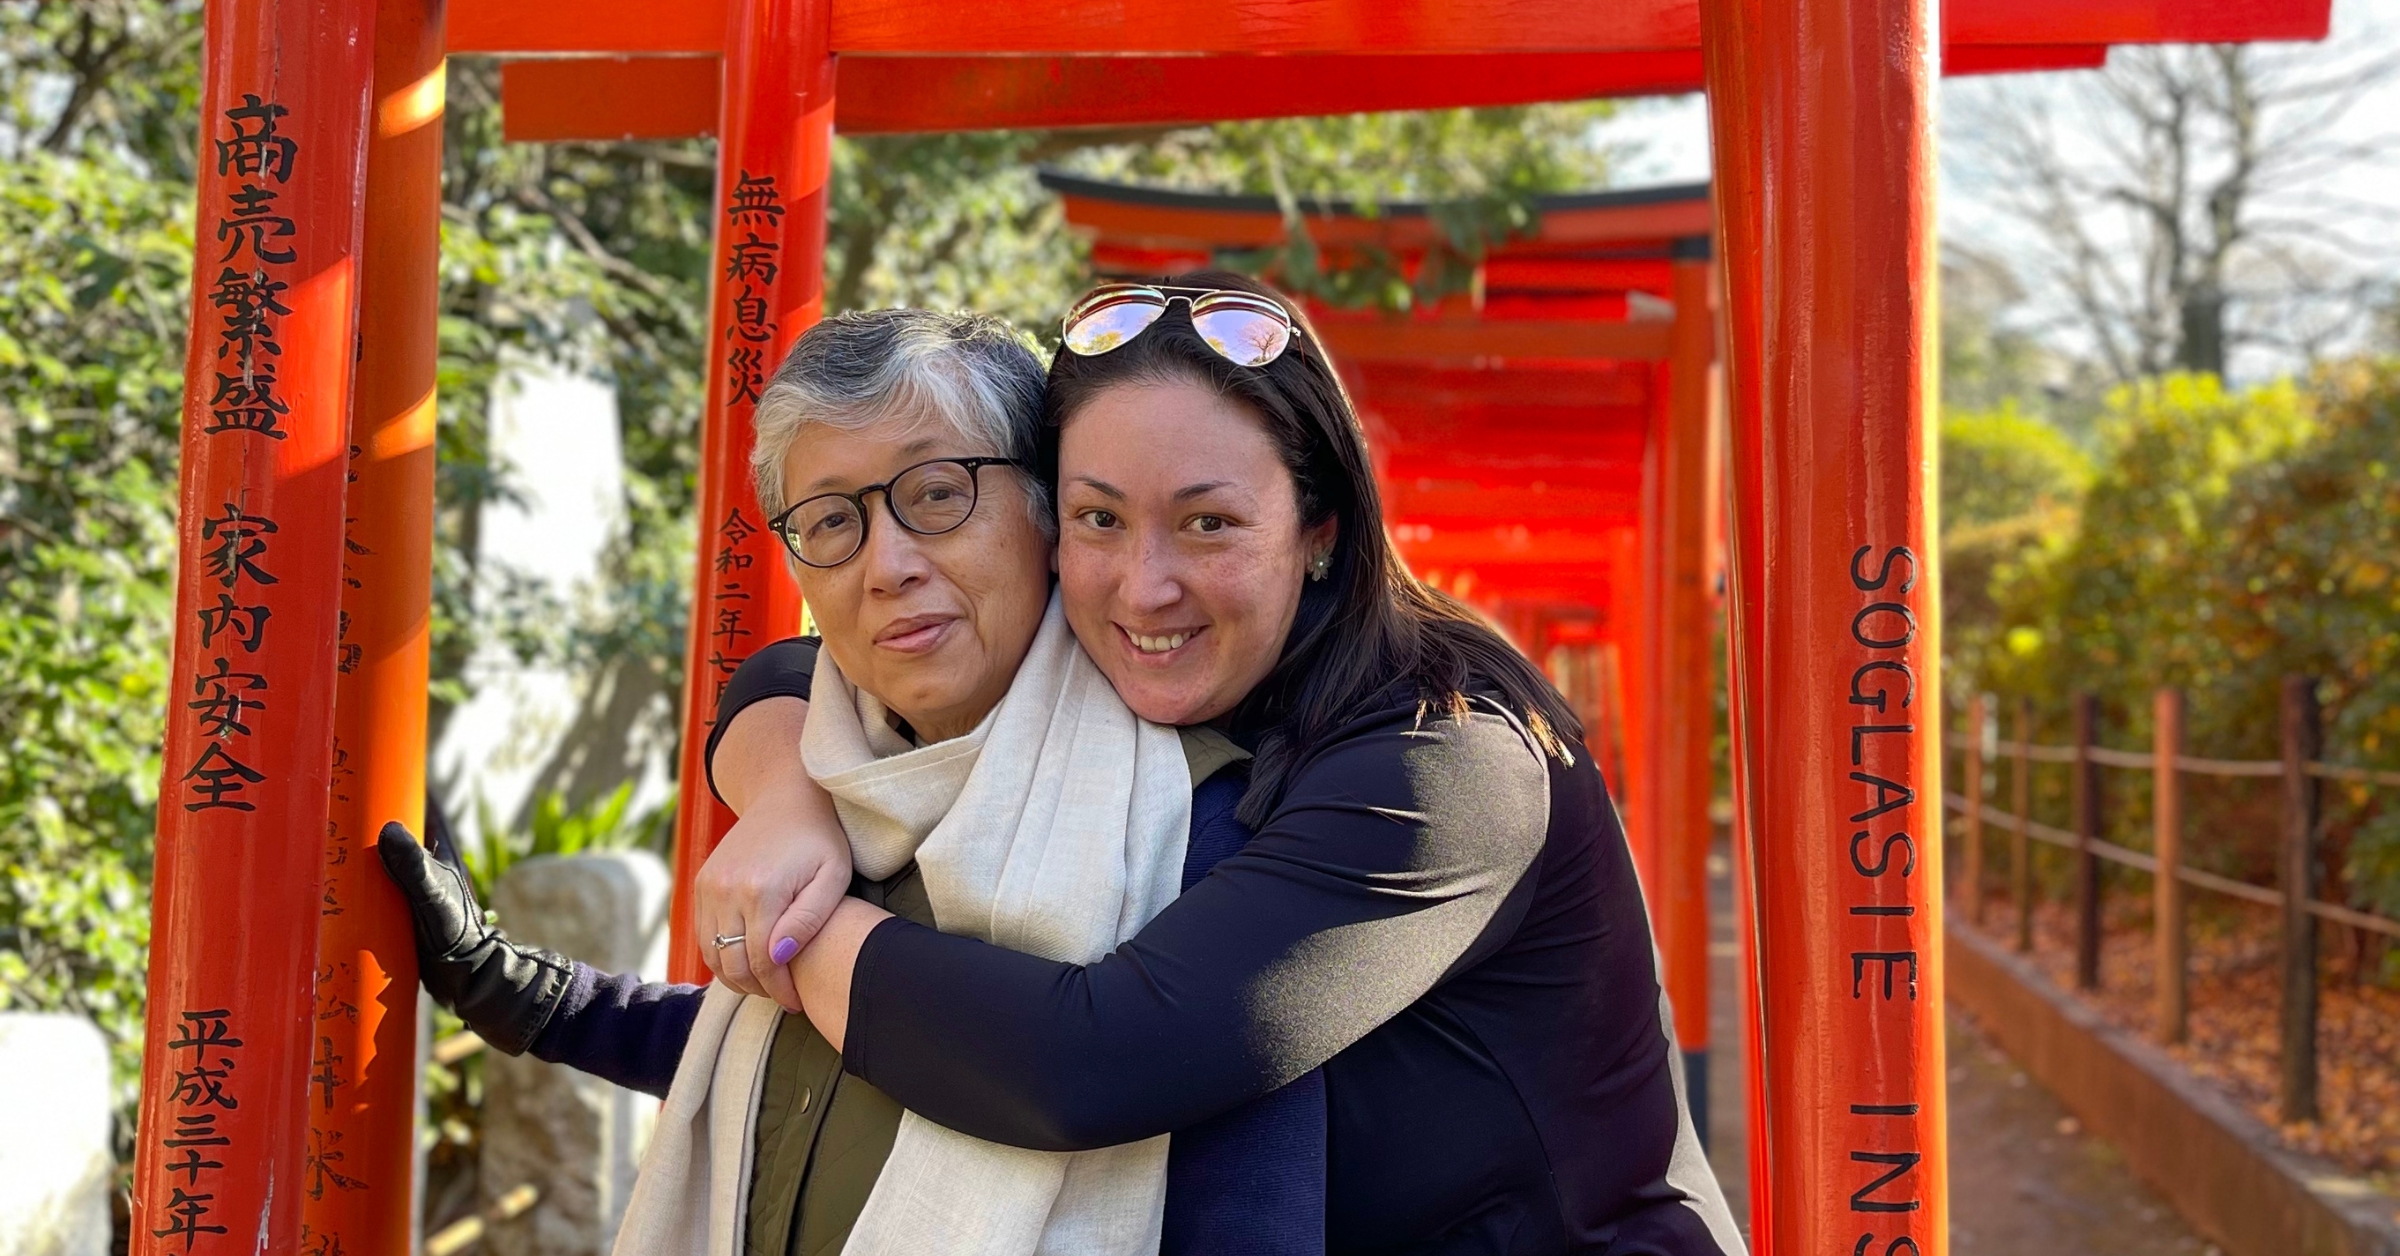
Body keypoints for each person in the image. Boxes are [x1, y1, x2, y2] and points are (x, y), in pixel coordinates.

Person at [702, 273, 1744, 1254]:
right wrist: (784, 800)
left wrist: (797, 928)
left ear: (1319, 531)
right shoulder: (1154, 685)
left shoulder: (1444, 757)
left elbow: (1091, 1060)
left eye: (1209, 523)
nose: (1144, 587)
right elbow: (805, 665)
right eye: (1101, 517)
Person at [380, 306, 1322, 1256]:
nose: (889, 566)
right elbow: (787, 1070)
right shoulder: (843, 777)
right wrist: (520, 994)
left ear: (1048, 511)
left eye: (939, 493)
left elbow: (1249, 1202)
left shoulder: (1200, 821)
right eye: (833, 521)